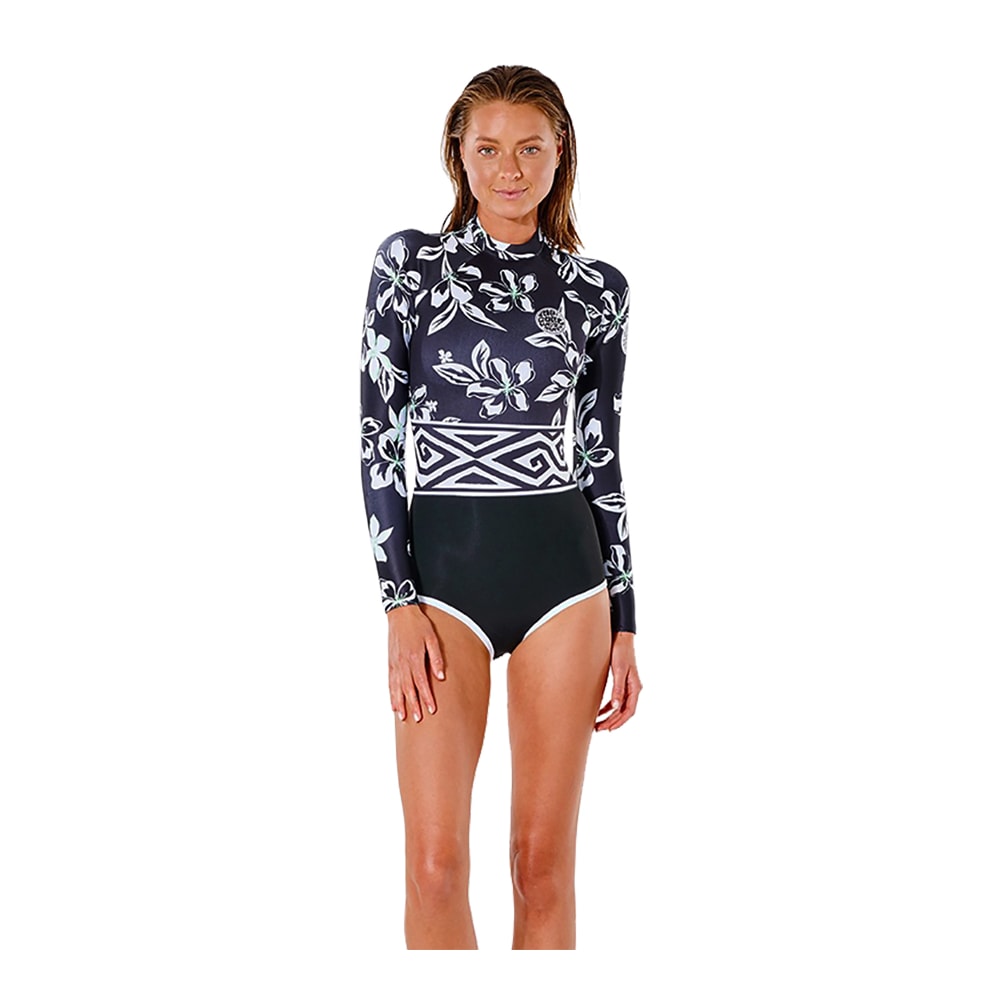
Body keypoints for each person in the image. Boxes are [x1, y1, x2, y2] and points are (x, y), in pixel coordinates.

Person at [359, 64, 642, 950]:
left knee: (541, 868)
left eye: (529, 148)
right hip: (441, 588)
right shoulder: (408, 267)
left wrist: (626, 620)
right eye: (487, 149)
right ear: (458, 154)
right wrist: (397, 602)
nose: (509, 169)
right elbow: (377, 440)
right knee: (434, 866)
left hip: (567, 585)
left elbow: (602, 455)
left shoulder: (599, 290)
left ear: (561, 155)